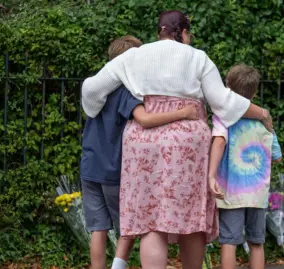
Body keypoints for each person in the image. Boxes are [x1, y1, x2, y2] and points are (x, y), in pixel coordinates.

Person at [80, 10, 273, 269]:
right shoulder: (198, 58)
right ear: (182, 33)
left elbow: (91, 88)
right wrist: (261, 113)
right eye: (188, 34)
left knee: (151, 220)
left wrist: (93, 110)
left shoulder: (134, 56)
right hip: (187, 144)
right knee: (191, 217)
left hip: (143, 142)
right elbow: (223, 102)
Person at [80, 35, 199, 269]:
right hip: (114, 170)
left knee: (98, 228)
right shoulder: (126, 92)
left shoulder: (97, 91)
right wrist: (182, 114)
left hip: (90, 167)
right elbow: (144, 119)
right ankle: (118, 266)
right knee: (132, 224)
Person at [207, 64, 282, 269]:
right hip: (257, 193)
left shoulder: (225, 118)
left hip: (231, 192)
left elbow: (219, 142)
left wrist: (211, 174)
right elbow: (276, 157)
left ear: (227, 88)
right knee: (257, 242)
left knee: (229, 241)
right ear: (255, 92)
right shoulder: (265, 123)